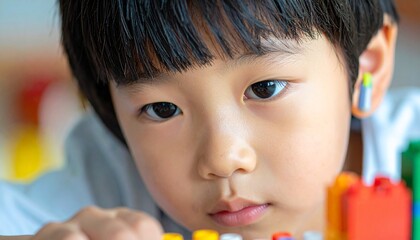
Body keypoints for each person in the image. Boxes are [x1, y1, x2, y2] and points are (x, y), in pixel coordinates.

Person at [1, 0, 419, 239]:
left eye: (265, 88)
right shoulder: (112, 179)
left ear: (367, 66)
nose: (222, 158)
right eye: (162, 110)